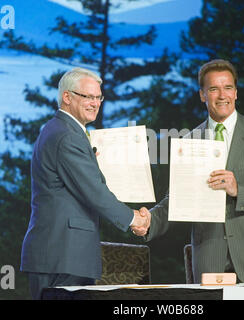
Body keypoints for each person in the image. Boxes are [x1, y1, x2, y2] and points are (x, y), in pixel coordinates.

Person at [132, 59, 244, 283]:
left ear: (236, 93)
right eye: (213, 89)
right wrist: (150, 220)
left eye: (228, 88)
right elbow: (178, 199)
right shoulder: (189, 141)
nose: (222, 95)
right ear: (202, 95)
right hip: (210, 254)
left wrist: (239, 189)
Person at [20, 67, 149, 299]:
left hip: (62, 255)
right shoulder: (68, 135)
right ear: (67, 97)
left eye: (98, 97)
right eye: (87, 96)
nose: (95, 103)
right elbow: (94, 192)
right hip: (63, 256)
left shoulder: (62, 130)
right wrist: (133, 219)